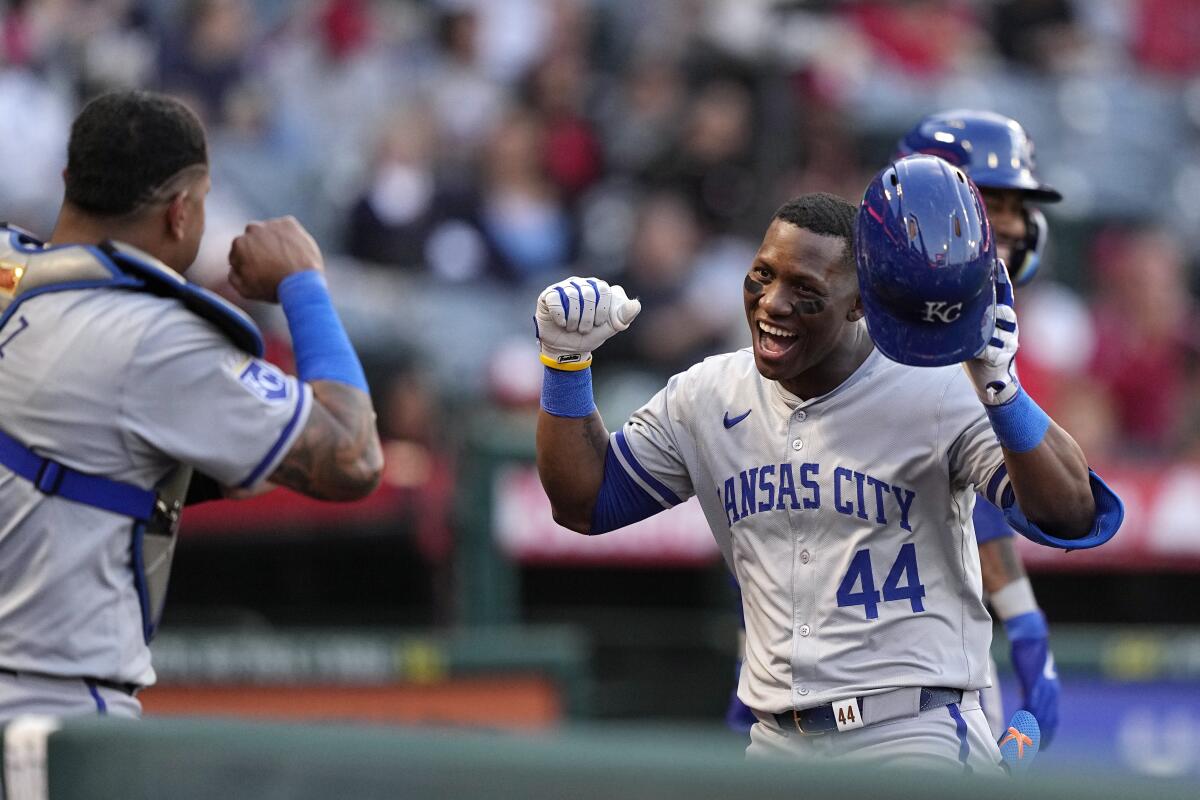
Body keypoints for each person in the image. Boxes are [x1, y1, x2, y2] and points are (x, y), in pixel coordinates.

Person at [532, 157, 1121, 770]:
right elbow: (585, 501)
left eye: (806, 292)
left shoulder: (937, 387)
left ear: (860, 305)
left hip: (910, 732)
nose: (773, 303)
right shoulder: (707, 394)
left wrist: (1005, 393)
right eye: (762, 275)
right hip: (777, 743)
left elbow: (1071, 514)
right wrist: (566, 365)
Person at [0, 90, 383, 723]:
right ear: (181, 213)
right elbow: (354, 455)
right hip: (49, 711)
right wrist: (303, 284)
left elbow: (77, 441)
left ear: (71, 182)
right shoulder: (154, 338)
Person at [895, 109, 1063, 744]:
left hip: (935, 644)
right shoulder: (865, 320)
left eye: (1017, 207)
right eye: (988, 203)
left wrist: (1024, 624)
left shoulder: (986, 330)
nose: (1012, 225)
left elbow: (976, 492)